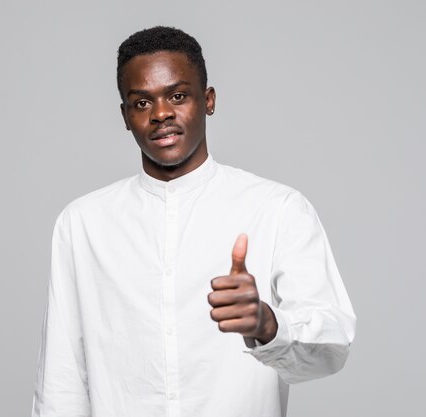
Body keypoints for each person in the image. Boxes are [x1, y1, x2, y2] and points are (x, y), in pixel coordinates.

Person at [31, 26, 356, 417]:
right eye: (141, 103)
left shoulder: (277, 209)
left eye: (178, 96)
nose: (161, 114)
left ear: (208, 100)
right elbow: (61, 383)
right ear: (125, 116)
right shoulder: (82, 224)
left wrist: (268, 325)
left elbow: (332, 349)